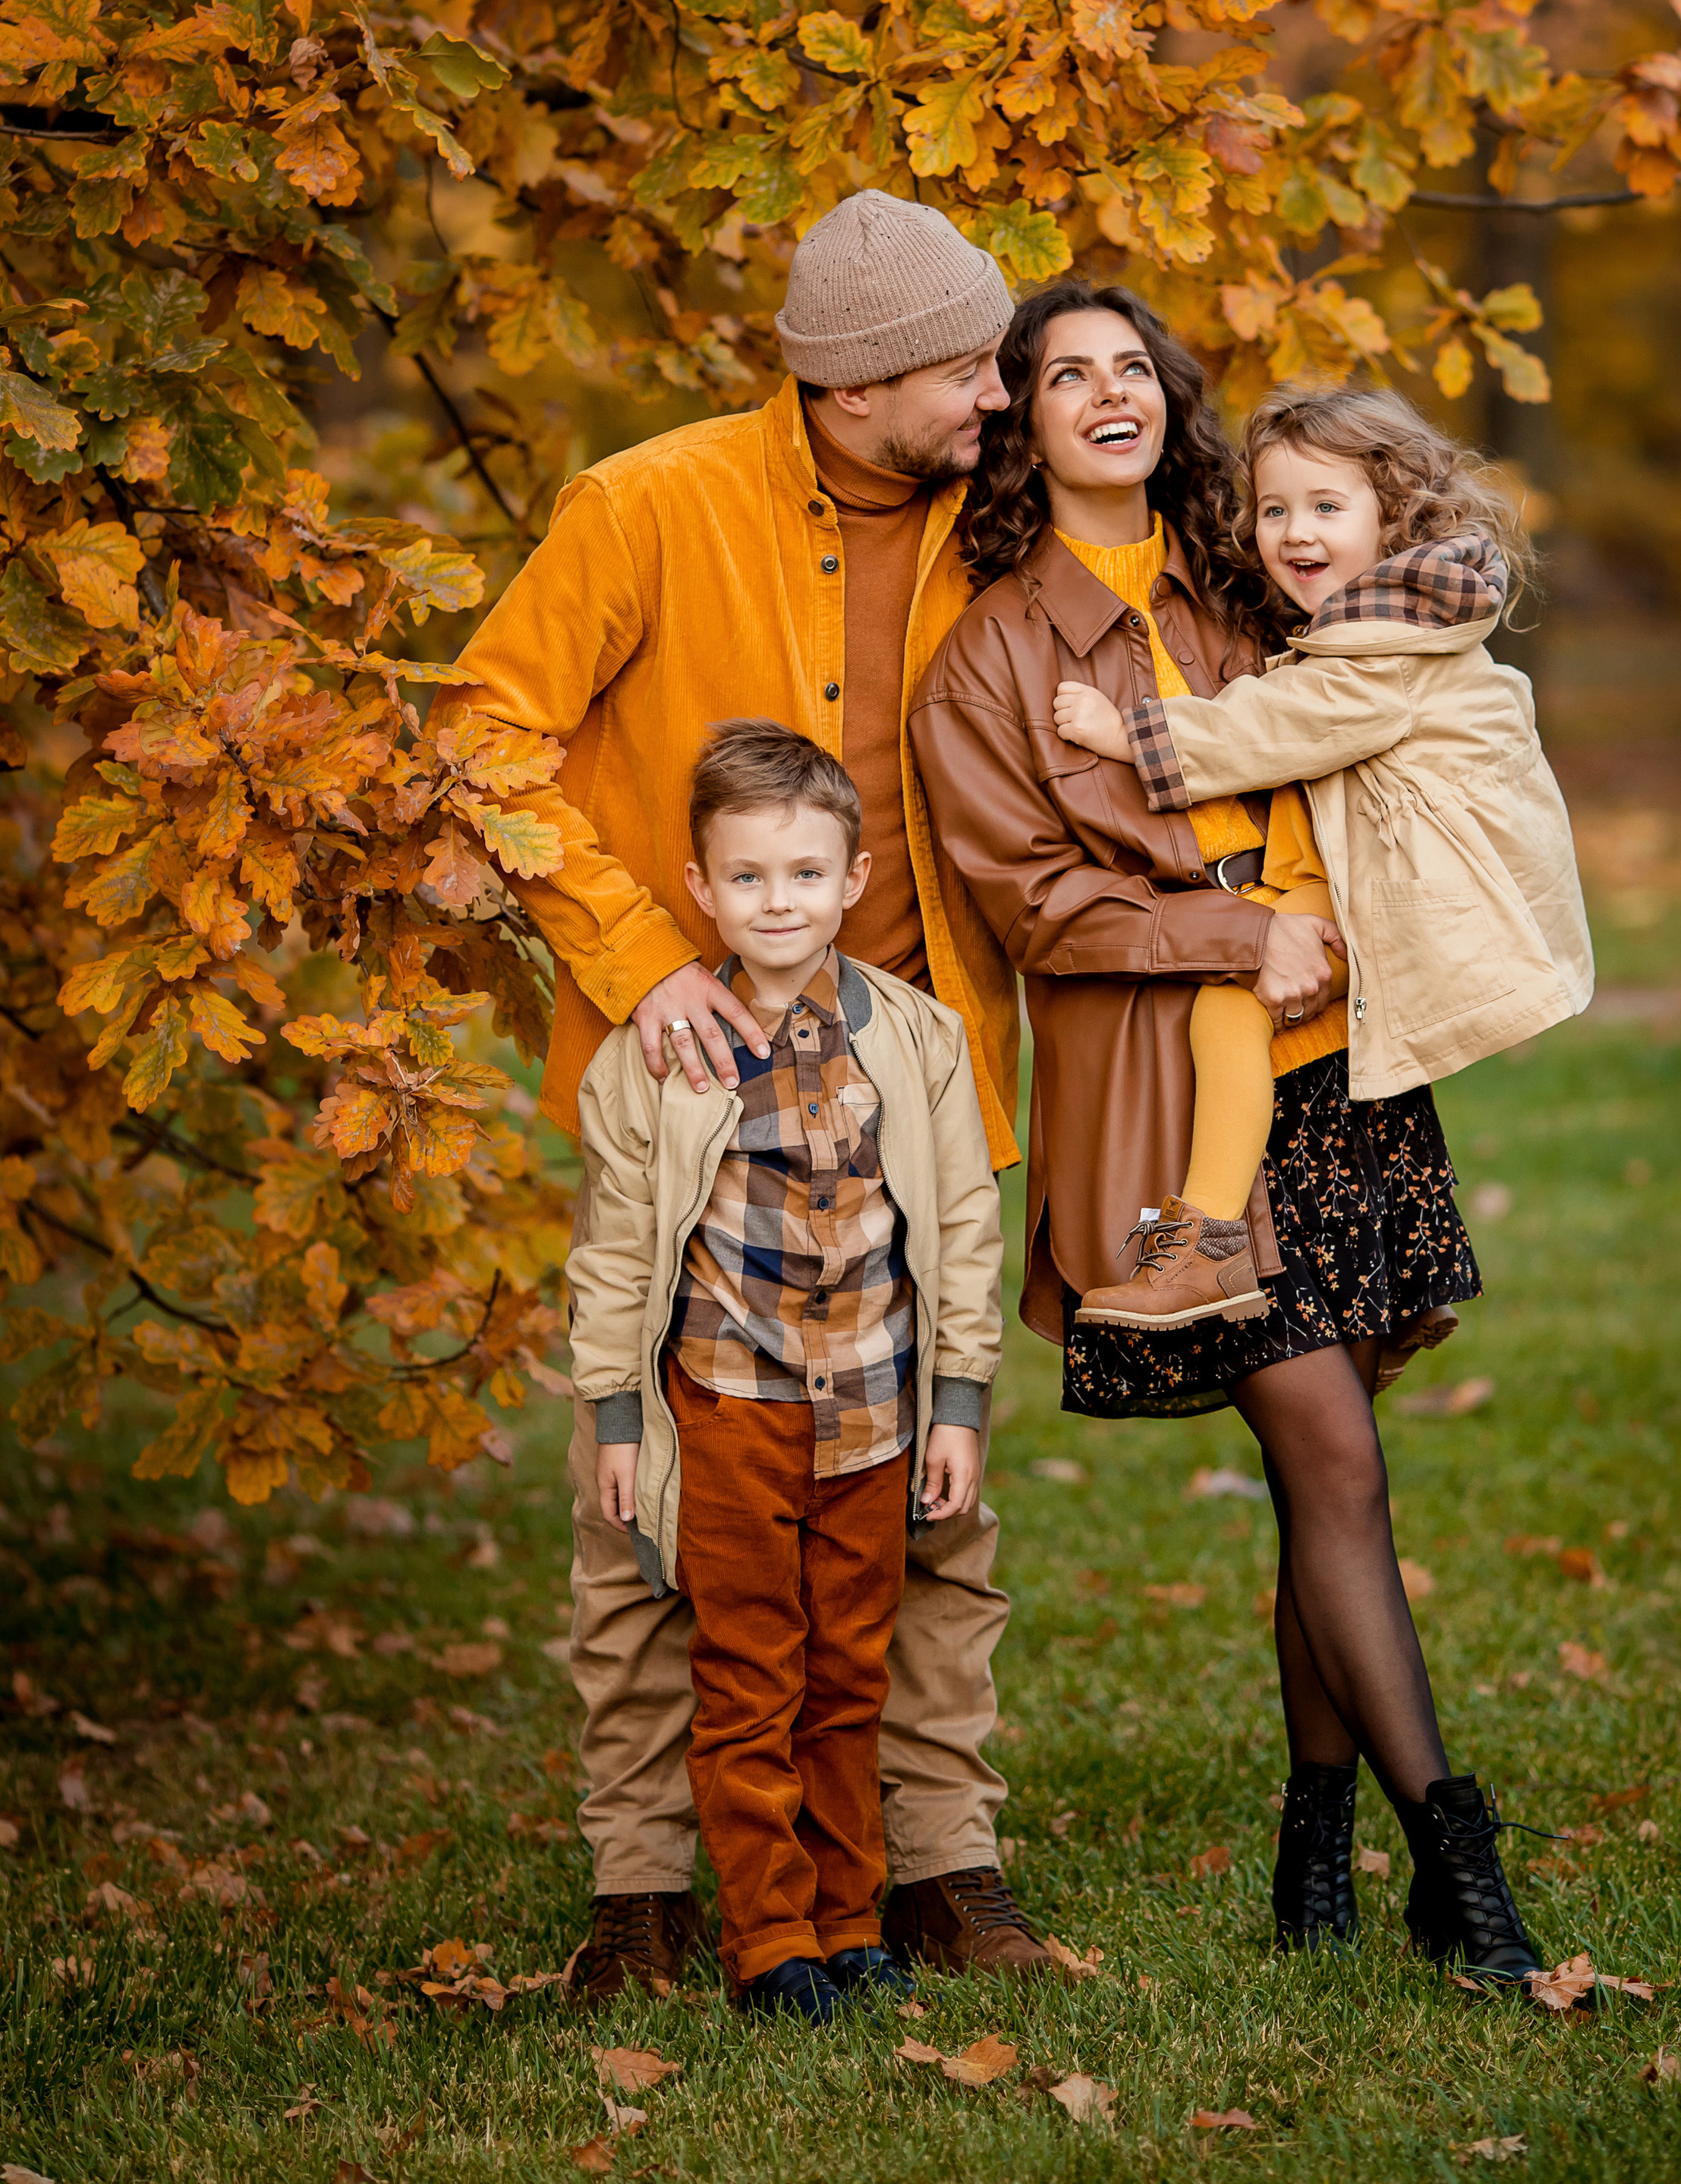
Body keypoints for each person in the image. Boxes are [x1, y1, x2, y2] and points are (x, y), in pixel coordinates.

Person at [443, 188, 1060, 1996]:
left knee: (928, 1502)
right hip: (688, 1088)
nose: (994, 396)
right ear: (862, 381)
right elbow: (481, 731)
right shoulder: (645, 503)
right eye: (963, 367)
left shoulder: (994, 522)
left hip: (917, 1073)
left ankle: (940, 1859)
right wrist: (641, 962)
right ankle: (642, 1887)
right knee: (643, 1510)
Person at [908, 282, 1550, 1988]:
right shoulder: (986, 658)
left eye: (1131, 367)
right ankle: (1455, 1867)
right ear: (1017, 420)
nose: (1105, 394)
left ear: (1164, 401)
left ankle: (1308, 1853)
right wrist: (1232, 936)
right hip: (1164, 1109)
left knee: (1313, 1471)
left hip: (1342, 1083)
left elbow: (1395, 680)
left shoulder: (1254, 580)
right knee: (1333, 1462)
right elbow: (1034, 901)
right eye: (1063, 375)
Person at [569, 722, 1004, 2024]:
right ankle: (770, 1940)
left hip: (874, 1409)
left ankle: (850, 1916)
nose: (779, 902)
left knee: (850, 1673)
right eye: (749, 878)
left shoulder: (918, 1039)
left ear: (855, 877)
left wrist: (962, 1402)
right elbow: (610, 1251)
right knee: (752, 1671)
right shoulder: (657, 1053)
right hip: (731, 1409)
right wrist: (615, 1420)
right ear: (700, 887)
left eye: (806, 875)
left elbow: (966, 1225)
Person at [1051, 380, 1593, 1326]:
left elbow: (1277, 726)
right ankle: (1397, 1275)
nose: (1294, 532)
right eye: (1273, 509)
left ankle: (1208, 1243)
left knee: (1228, 1007)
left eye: (1326, 507)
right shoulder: (1391, 611)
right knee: (1293, 1035)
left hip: (1415, 890)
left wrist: (1126, 730)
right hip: (1359, 875)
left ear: (1396, 518)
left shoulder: (1387, 642)